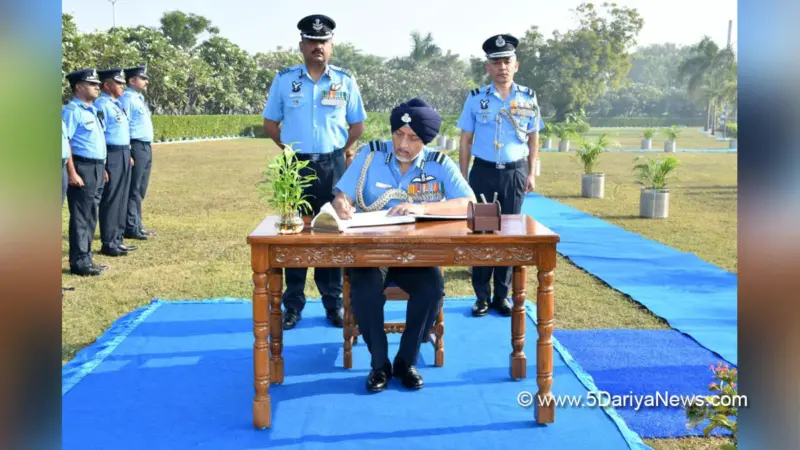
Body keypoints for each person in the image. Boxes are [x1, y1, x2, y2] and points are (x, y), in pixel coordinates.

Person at [331, 98, 475, 392]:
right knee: (364, 293)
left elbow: (469, 202)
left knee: (432, 290)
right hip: (373, 251)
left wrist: (421, 209)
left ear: (426, 140)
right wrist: (342, 203)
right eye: (398, 134)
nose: (403, 143)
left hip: (417, 254)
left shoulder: (439, 164)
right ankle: (379, 364)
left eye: (412, 138)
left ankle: (405, 361)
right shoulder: (370, 156)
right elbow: (341, 196)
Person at [262, 14, 367, 330]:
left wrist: (340, 149)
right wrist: (290, 150)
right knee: (293, 233)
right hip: (295, 166)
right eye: (311, 41)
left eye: (323, 41)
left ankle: (333, 302)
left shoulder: (344, 81)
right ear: (302, 45)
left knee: (331, 232)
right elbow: (270, 123)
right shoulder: (284, 80)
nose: (317, 46)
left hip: (333, 166)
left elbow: (357, 124)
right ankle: (292, 305)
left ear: (331, 45)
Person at [456, 34, 543, 318]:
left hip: (515, 172)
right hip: (482, 172)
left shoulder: (528, 97)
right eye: (496, 62)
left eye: (507, 61)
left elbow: (533, 138)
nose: (502, 67)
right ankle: (481, 296)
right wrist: (463, 175)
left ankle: (502, 296)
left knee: (509, 234)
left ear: (516, 65)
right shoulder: (475, 99)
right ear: (488, 67)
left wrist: (531, 172)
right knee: (482, 234)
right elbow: (465, 139)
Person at [62, 68, 107, 276]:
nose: (97, 87)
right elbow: (66, 141)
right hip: (82, 167)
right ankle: (79, 262)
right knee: (81, 215)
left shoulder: (92, 110)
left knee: (91, 214)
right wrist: (72, 172)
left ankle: (87, 257)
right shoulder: (72, 111)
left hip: (96, 167)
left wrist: (103, 168)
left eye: (97, 84)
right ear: (79, 87)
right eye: (92, 84)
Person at [95, 68, 137, 257]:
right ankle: (109, 241)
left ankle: (118, 238)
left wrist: (127, 152)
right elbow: (100, 135)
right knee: (111, 199)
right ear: (107, 85)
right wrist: (104, 163)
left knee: (121, 197)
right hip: (111, 153)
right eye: (118, 83)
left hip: (122, 152)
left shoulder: (116, 104)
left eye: (122, 82)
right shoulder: (101, 104)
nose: (122, 86)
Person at [119, 64, 154, 241]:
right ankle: (131, 226)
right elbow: (124, 125)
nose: (146, 81)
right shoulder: (127, 99)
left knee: (141, 188)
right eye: (143, 78)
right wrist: (130, 151)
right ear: (132, 81)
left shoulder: (138, 98)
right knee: (134, 188)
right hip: (135, 145)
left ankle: (137, 224)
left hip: (145, 146)